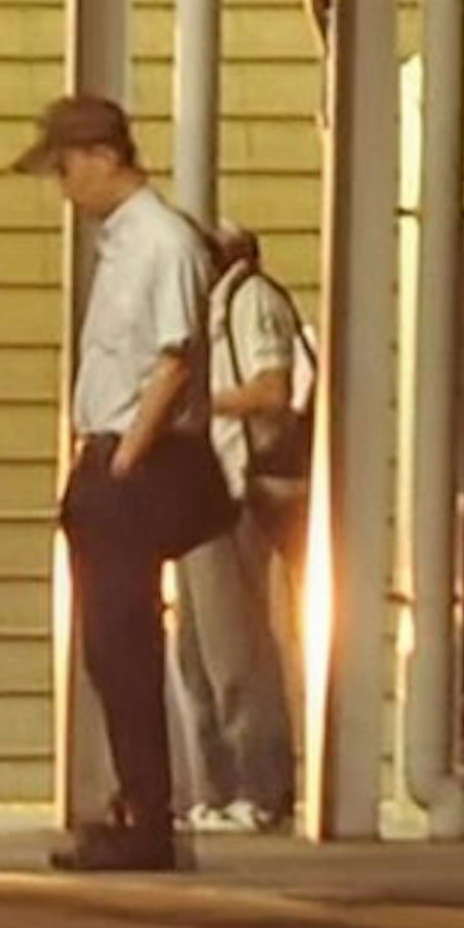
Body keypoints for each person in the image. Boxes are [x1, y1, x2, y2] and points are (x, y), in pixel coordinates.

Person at [13, 96, 228, 873]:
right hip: (110, 453)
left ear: (105, 156)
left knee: (126, 641)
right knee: (110, 646)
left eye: (66, 168)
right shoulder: (122, 243)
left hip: (138, 457)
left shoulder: (162, 242)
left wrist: (127, 454)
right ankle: (136, 805)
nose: (64, 187)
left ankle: (149, 818)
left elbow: (177, 356)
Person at [173, 221, 311, 831]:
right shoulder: (213, 309)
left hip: (239, 485)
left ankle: (260, 787)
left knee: (236, 648)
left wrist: (197, 402)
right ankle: (221, 787)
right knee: (197, 650)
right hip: (204, 485)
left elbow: (272, 389)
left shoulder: (250, 300)